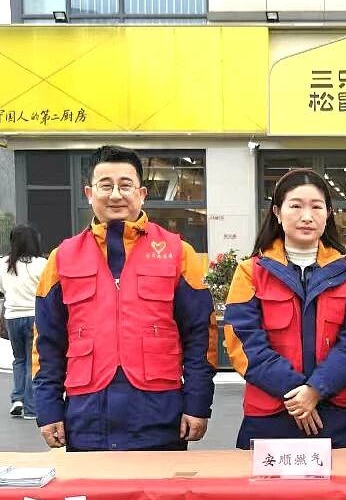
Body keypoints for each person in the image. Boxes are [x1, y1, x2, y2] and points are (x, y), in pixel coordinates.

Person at [33, 145, 216, 451]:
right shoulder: (62, 258)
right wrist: (48, 409)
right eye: (105, 186)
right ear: (89, 194)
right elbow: (47, 342)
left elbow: (200, 336)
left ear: (142, 193)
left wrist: (198, 404)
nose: (116, 195)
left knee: (161, 485)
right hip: (87, 415)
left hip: (158, 413)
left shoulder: (178, 253)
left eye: (125, 185)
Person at [224, 169, 346, 449]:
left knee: (340, 481)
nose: (307, 216)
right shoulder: (250, 272)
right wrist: (297, 394)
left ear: (328, 214)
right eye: (295, 206)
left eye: (316, 207)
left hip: (335, 415)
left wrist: (316, 390)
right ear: (277, 213)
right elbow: (243, 343)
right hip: (271, 416)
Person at [0, 224, 46, 420]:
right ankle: (30, 407)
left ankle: (17, 399)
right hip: (35, 317)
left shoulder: (4, 264)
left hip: (12, 317)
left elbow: (2, 288)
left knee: (18, 359)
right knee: (31, 362)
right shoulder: (41, 264)